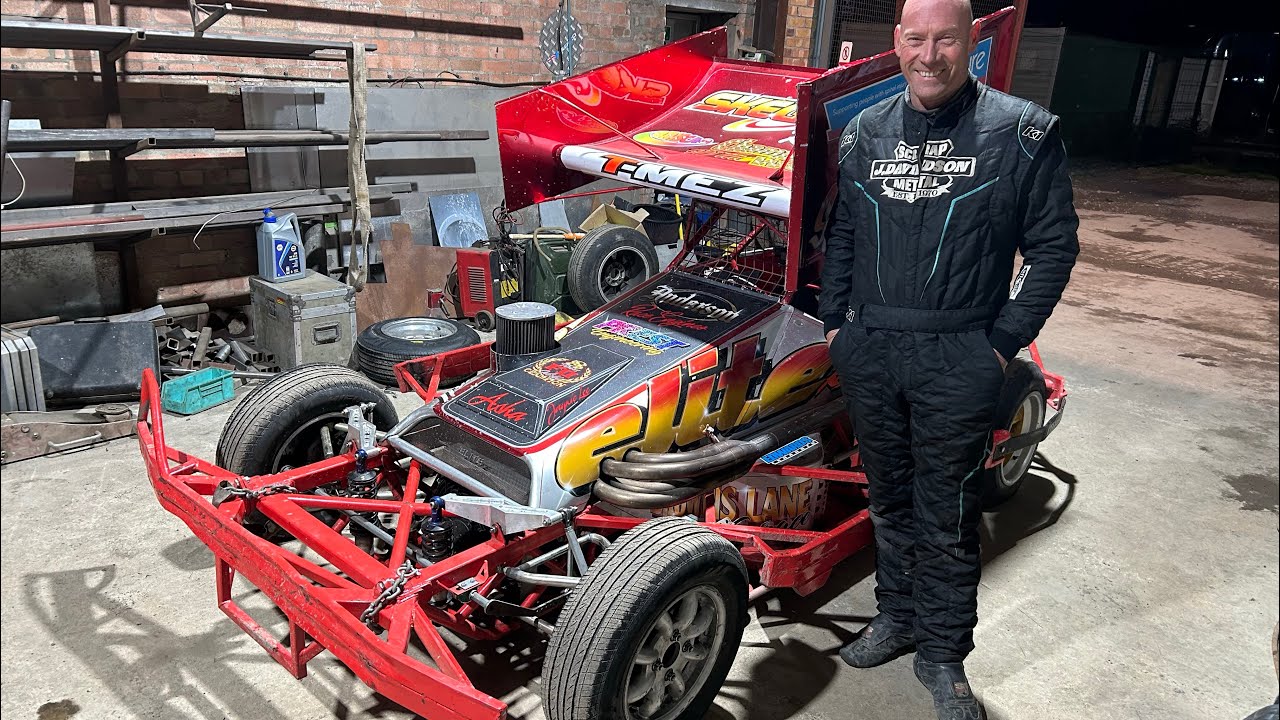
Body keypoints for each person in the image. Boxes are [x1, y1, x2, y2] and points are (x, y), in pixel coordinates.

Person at [818, 0, 1079, 717]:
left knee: (949, 513)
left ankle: (942, 654)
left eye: (945, 39)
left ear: (971, 43)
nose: (928, 55)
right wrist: (836, 325)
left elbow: (1055, 248)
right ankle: (897, 618)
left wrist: (1000, 344)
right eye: (915, 38)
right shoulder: (865, 131)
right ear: (896, 43)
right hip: (872, 349)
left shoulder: (1023, 133)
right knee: (889, 499)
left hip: (960, 350)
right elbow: (841, 236)